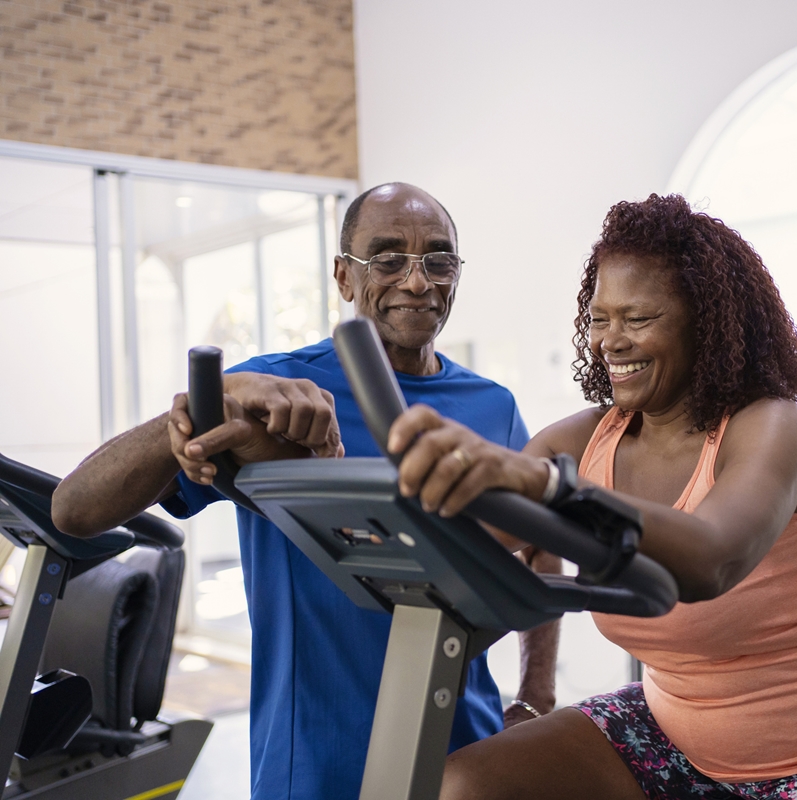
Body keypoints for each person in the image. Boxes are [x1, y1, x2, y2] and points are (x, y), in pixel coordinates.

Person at [382, 193, 797, 799]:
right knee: (464, 786)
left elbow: (713, 557)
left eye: (637, 319)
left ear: (707, 325)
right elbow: (461, 544)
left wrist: (552, 488)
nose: (611, 341)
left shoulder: (770, 426)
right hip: (676, 733)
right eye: (600, 318)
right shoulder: (586, 440)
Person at [51, 183, 560, 800]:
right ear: (344, 278)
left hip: (466, 755)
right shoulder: (275, 390)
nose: (418, 282)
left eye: (439, 259)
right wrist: (206, 402)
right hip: (313, 766)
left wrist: (535, 698)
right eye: (389, 258)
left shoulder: (492, 406)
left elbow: (539, 545)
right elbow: (74, 510)